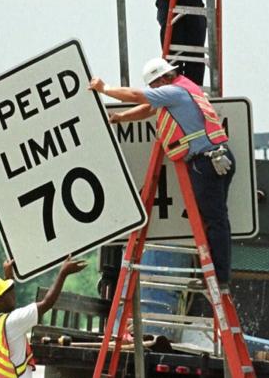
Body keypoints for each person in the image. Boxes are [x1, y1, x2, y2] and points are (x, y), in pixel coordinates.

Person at [89, 58, 235, 288]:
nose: (154, 91)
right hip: (217, 158)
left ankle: (218, 278)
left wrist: (104, 88)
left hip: (206, 162)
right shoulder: (184, 88)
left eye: (154, 86)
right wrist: (121, 118)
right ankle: (217, 276)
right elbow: (147, 108)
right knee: (216, 220)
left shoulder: (173, 92)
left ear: (163, 79)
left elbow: (138, 97)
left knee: (215, 221)